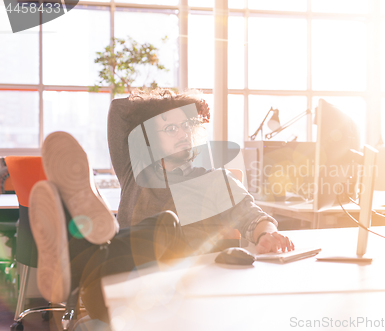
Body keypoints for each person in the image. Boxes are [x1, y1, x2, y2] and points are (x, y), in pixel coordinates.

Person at [30, 88, 294, 324]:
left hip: (177, 291)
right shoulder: (135, 172)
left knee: (165, 226)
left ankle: (76, 254)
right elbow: (119, 111)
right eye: (170, 129)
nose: (182, 133)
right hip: (120, 287)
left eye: (186, 126)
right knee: (160, 227)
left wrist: (268, 234)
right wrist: (181, 102)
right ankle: (82, 252)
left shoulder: (213, 180)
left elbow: (253, 216)